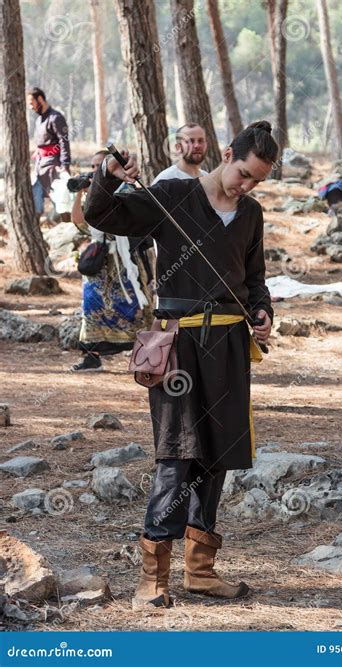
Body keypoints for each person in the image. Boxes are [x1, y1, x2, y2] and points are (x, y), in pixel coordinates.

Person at [84, 121, 277, 610]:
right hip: (179, 346)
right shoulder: (171, 195)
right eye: (243, 173)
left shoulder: (250, 214)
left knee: (217, 457)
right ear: (227, 153)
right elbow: (101, 212)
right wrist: (108, 173)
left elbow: (255, 279)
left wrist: (263, 311)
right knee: (177, 455)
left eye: (257, 180)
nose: (247, 185)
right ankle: (152, 578)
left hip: (230, 346)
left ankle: (201, 572)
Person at [71, 150, 154, 372]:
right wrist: (80, 194)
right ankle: (92, 355)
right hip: (100, 261)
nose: (96, 171)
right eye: (94, 166)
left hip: (127, 260)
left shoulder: (127, 189)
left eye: (101, 165)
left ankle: (146, 356)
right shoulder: (91, 193)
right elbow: (79, 222)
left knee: (136, 306)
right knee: (92, 305)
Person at [27, 87, 71, 220]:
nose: (30, 107)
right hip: (40, 166)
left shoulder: (56, 118)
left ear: (40, 99)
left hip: (54, 165)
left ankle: (70, 228)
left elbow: (64, 142)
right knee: (36, 200)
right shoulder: (38, 120)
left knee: (60, 201)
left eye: (31, 102)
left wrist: (65, 164)